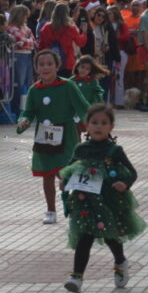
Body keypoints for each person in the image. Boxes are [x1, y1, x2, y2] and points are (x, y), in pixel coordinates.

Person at [59, 103, 145, 293]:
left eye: (104, 123)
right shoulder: (81, 149)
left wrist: (124, 183)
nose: (98, 127)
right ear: (86, 125)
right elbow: (70, 168)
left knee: (111, 237)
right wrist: (65, 181)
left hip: (109, 201)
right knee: (84, 238)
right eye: (94, 122)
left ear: (111, 127)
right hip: (85, 201)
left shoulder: (115, 151)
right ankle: (77, 277)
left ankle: (120, 262)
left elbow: (132, 172)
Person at [16, 49, 91, 225]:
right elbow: (28, 112)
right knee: (47, 174)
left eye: (50, 64)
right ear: (35, 67)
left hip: (67, 136)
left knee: (69, 174)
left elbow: (83, 107)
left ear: (57, 66)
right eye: (41, 64)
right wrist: (24, 121)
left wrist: (93, 125)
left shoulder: (68, 86)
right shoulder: (34, 90)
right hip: (44, 136)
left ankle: (76, 208)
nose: (45, 68)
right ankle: (50, 210)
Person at [38, 2, 87, 78]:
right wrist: (84, 33)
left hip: (50, 60)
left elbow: (41, 45)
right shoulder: (70, 28)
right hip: (67, 61)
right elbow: (80, 42)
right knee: (64, 84)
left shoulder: (46, 27)